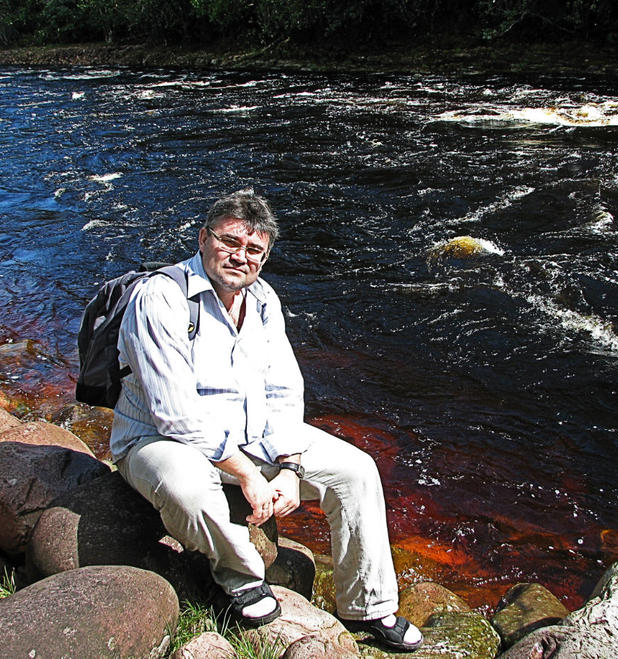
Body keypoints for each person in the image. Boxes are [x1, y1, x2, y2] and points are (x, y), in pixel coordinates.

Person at [110, 189, 423, 652]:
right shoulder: (160, 296)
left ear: (266, 256)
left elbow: (282, 390)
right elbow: (173, 412)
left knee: (356, 472)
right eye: (229, 242)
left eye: (254, 250)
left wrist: (291, 466)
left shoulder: (262, 299)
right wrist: (249, 475)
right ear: (202, 239)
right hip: (161, 439)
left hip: (248, 434)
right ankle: (240, 578)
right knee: (188, 490)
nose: (240, 257)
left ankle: (368, 605)